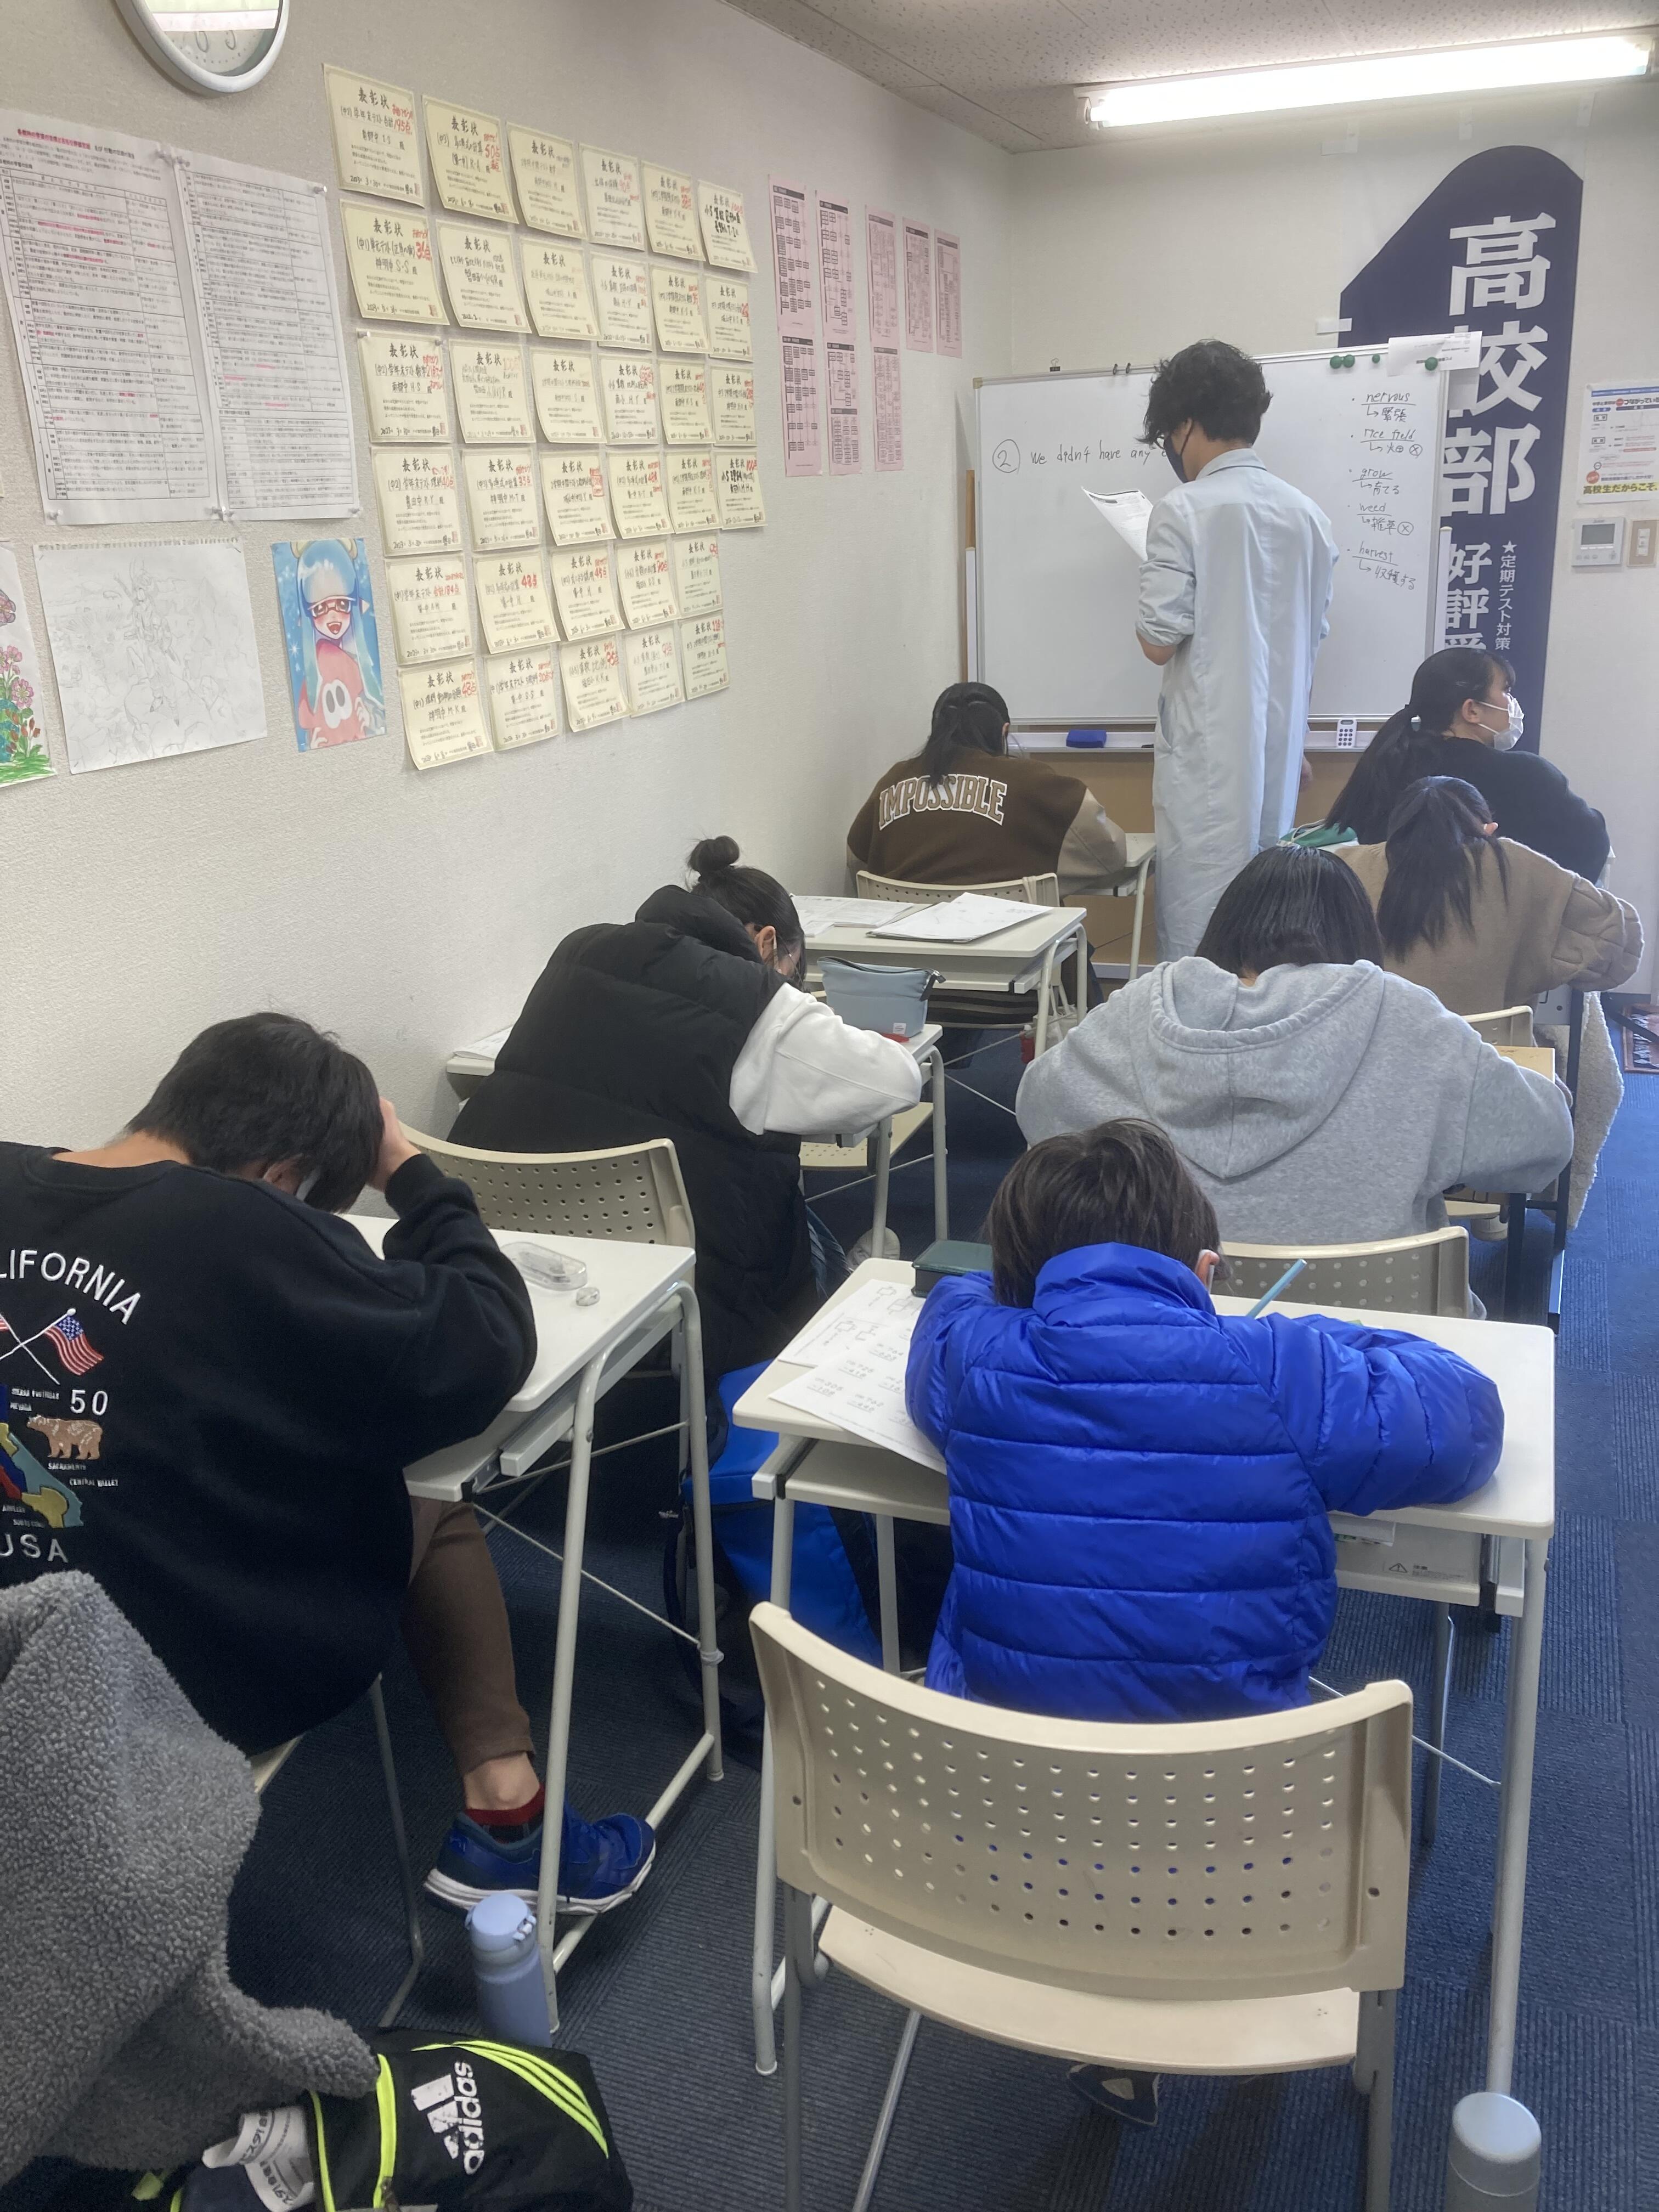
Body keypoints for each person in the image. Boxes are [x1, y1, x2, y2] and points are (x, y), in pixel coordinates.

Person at [906, 1119, 1500, 2130]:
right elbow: (1466, 1416)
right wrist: (1321, 1338)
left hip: (1009, 1829)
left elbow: (945, 1312)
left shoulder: (977, 1356)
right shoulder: (1277, 1366)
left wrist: (999, 1294)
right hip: (1240, 1843)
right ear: (1206, 1270)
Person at [0, 1013, 650, 1915]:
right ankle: (510, 1815)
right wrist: (410, 1171)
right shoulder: (242, 1226)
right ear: (284, 1177)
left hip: (15, 1655)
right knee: (426, 1488)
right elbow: (488, 1338)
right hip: (177, 1681)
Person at [452, 837, 923, 1382]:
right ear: (768, 944)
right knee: (806, 1230)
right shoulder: (756, 999)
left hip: (518, 1267)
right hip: (690, 1299)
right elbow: (899, 1080)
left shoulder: (579, 948)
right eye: (794, 971)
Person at [1016, 844, 1573, 1252]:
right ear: (1358, 933)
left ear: (1224, 927)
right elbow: (1546, 1142)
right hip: (1374, 1349)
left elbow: (1036, 1110)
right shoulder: (1405, 1017)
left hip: (1168, 1337)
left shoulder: (1138, 1009)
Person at [1338, 775, 1641, 1227]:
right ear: (1486, 827)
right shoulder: (1514, 864)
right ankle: (1510, 1211)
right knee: (1578, 1066)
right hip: (1483, 1101)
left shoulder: (1344, 865)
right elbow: (1619, 943)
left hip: (1361, 1091)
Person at [1135, 341, 1338, 960]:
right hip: (1278, 754)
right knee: (1269, 930)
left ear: (1185, 424)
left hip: (1207, 765)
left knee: (1200, 934)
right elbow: (1308, 644)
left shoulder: (1183, 511)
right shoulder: (1309, 517)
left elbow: (1158, 643)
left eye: (1169, 434)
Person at [1325, 647, 1609, 880]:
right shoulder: (1526, 775)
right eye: (1506, 691)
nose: (1512, 703)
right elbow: (1589, 846)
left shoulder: (1388, 766)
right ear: (1472, 710)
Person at [846, 681, 1127, 895]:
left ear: (936, 731)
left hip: (906, 947)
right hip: (1015, 947)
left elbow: (859, 863)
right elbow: (1108, 852)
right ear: (1004, 731)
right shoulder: (1034, 781)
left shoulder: (894, 780)